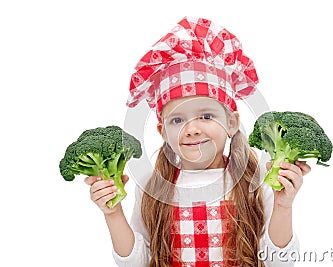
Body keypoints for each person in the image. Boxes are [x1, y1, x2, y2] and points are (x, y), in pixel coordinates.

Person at [85, 17, 311, 267]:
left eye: (206, 115)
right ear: (162, 131)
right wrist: (112, 212)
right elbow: (137, 263)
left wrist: (284, 206)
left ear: (232, 123)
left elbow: (280, 262)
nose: (191, 129)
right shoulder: (153, 186)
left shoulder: (255, 181)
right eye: (177, 120)